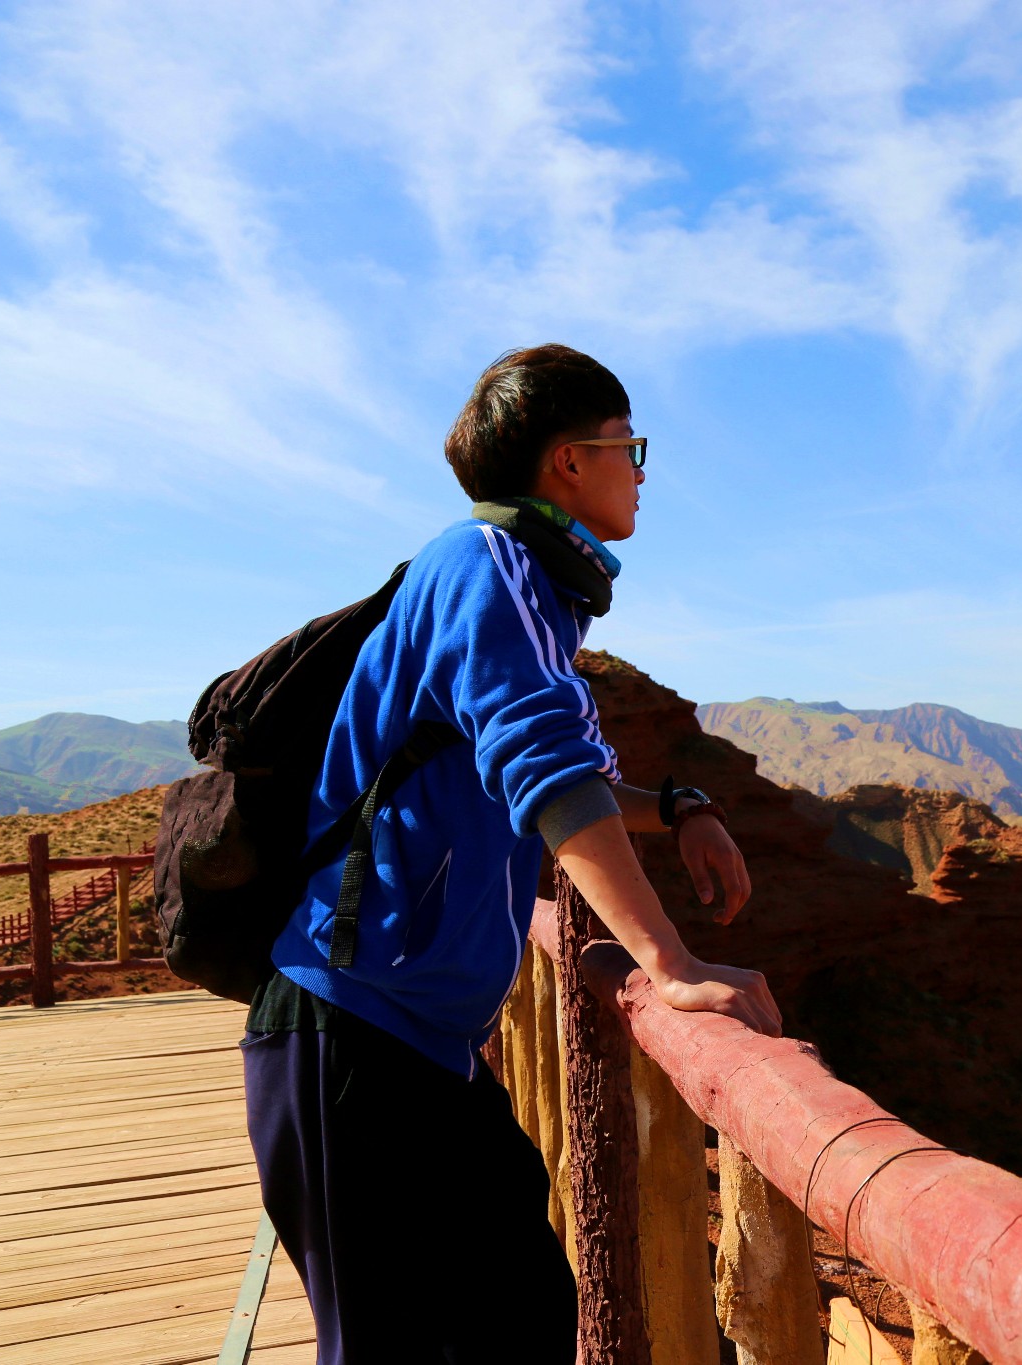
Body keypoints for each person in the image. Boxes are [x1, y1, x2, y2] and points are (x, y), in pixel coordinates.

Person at [239, 344, 778, 1363]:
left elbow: (549, 771)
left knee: (525, 1321)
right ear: (568, 462)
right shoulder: (486, 566)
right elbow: (547, 774)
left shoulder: (524, 584)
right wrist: (668, 964)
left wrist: (682, 803)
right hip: (345, 1035)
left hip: (425, 1047)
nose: (641, 470)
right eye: (630, 446)